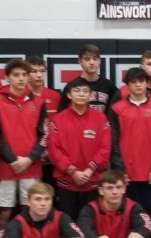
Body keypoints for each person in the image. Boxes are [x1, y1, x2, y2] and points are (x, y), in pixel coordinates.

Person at [0, 59, 47, 222]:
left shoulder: (39, 102)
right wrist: (12, 160)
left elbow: (44, 134)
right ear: (7, 77)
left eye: (24, 74)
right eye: (16, 75)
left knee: (31, 209)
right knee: (4, 210)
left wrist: (30, 159)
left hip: (31, 165)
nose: (21, 78)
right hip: (6, 166)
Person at [47, 77, 112, 219]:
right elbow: (53, 150)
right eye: (77, 91)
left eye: (85, 91)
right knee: (68, 223)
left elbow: (105, 148)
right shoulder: (58, 119)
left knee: (90, 222)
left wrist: (90, 170)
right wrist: (72, 171)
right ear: (69, 95)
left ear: (90, 95)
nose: (81, 94)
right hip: (66, 182)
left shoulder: (100, 118)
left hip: (92, 181)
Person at [109, 68, 151, 213]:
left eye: (141, 81)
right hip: (126, 174)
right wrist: (120, 170)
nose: (138, 85)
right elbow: (113, 141)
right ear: (127, 85)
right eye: (133, 82)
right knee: (127, 214)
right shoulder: (117, 109)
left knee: (150, 214)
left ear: (147, 83)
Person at [59, 44, 118, 113]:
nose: (92, 62)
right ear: (80, 61)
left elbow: (115, 113)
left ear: (100, 61)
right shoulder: (71, 86)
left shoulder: (109, 86)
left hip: (102, 120)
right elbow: (62, 113)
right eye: (87, 59)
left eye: (95, 59)